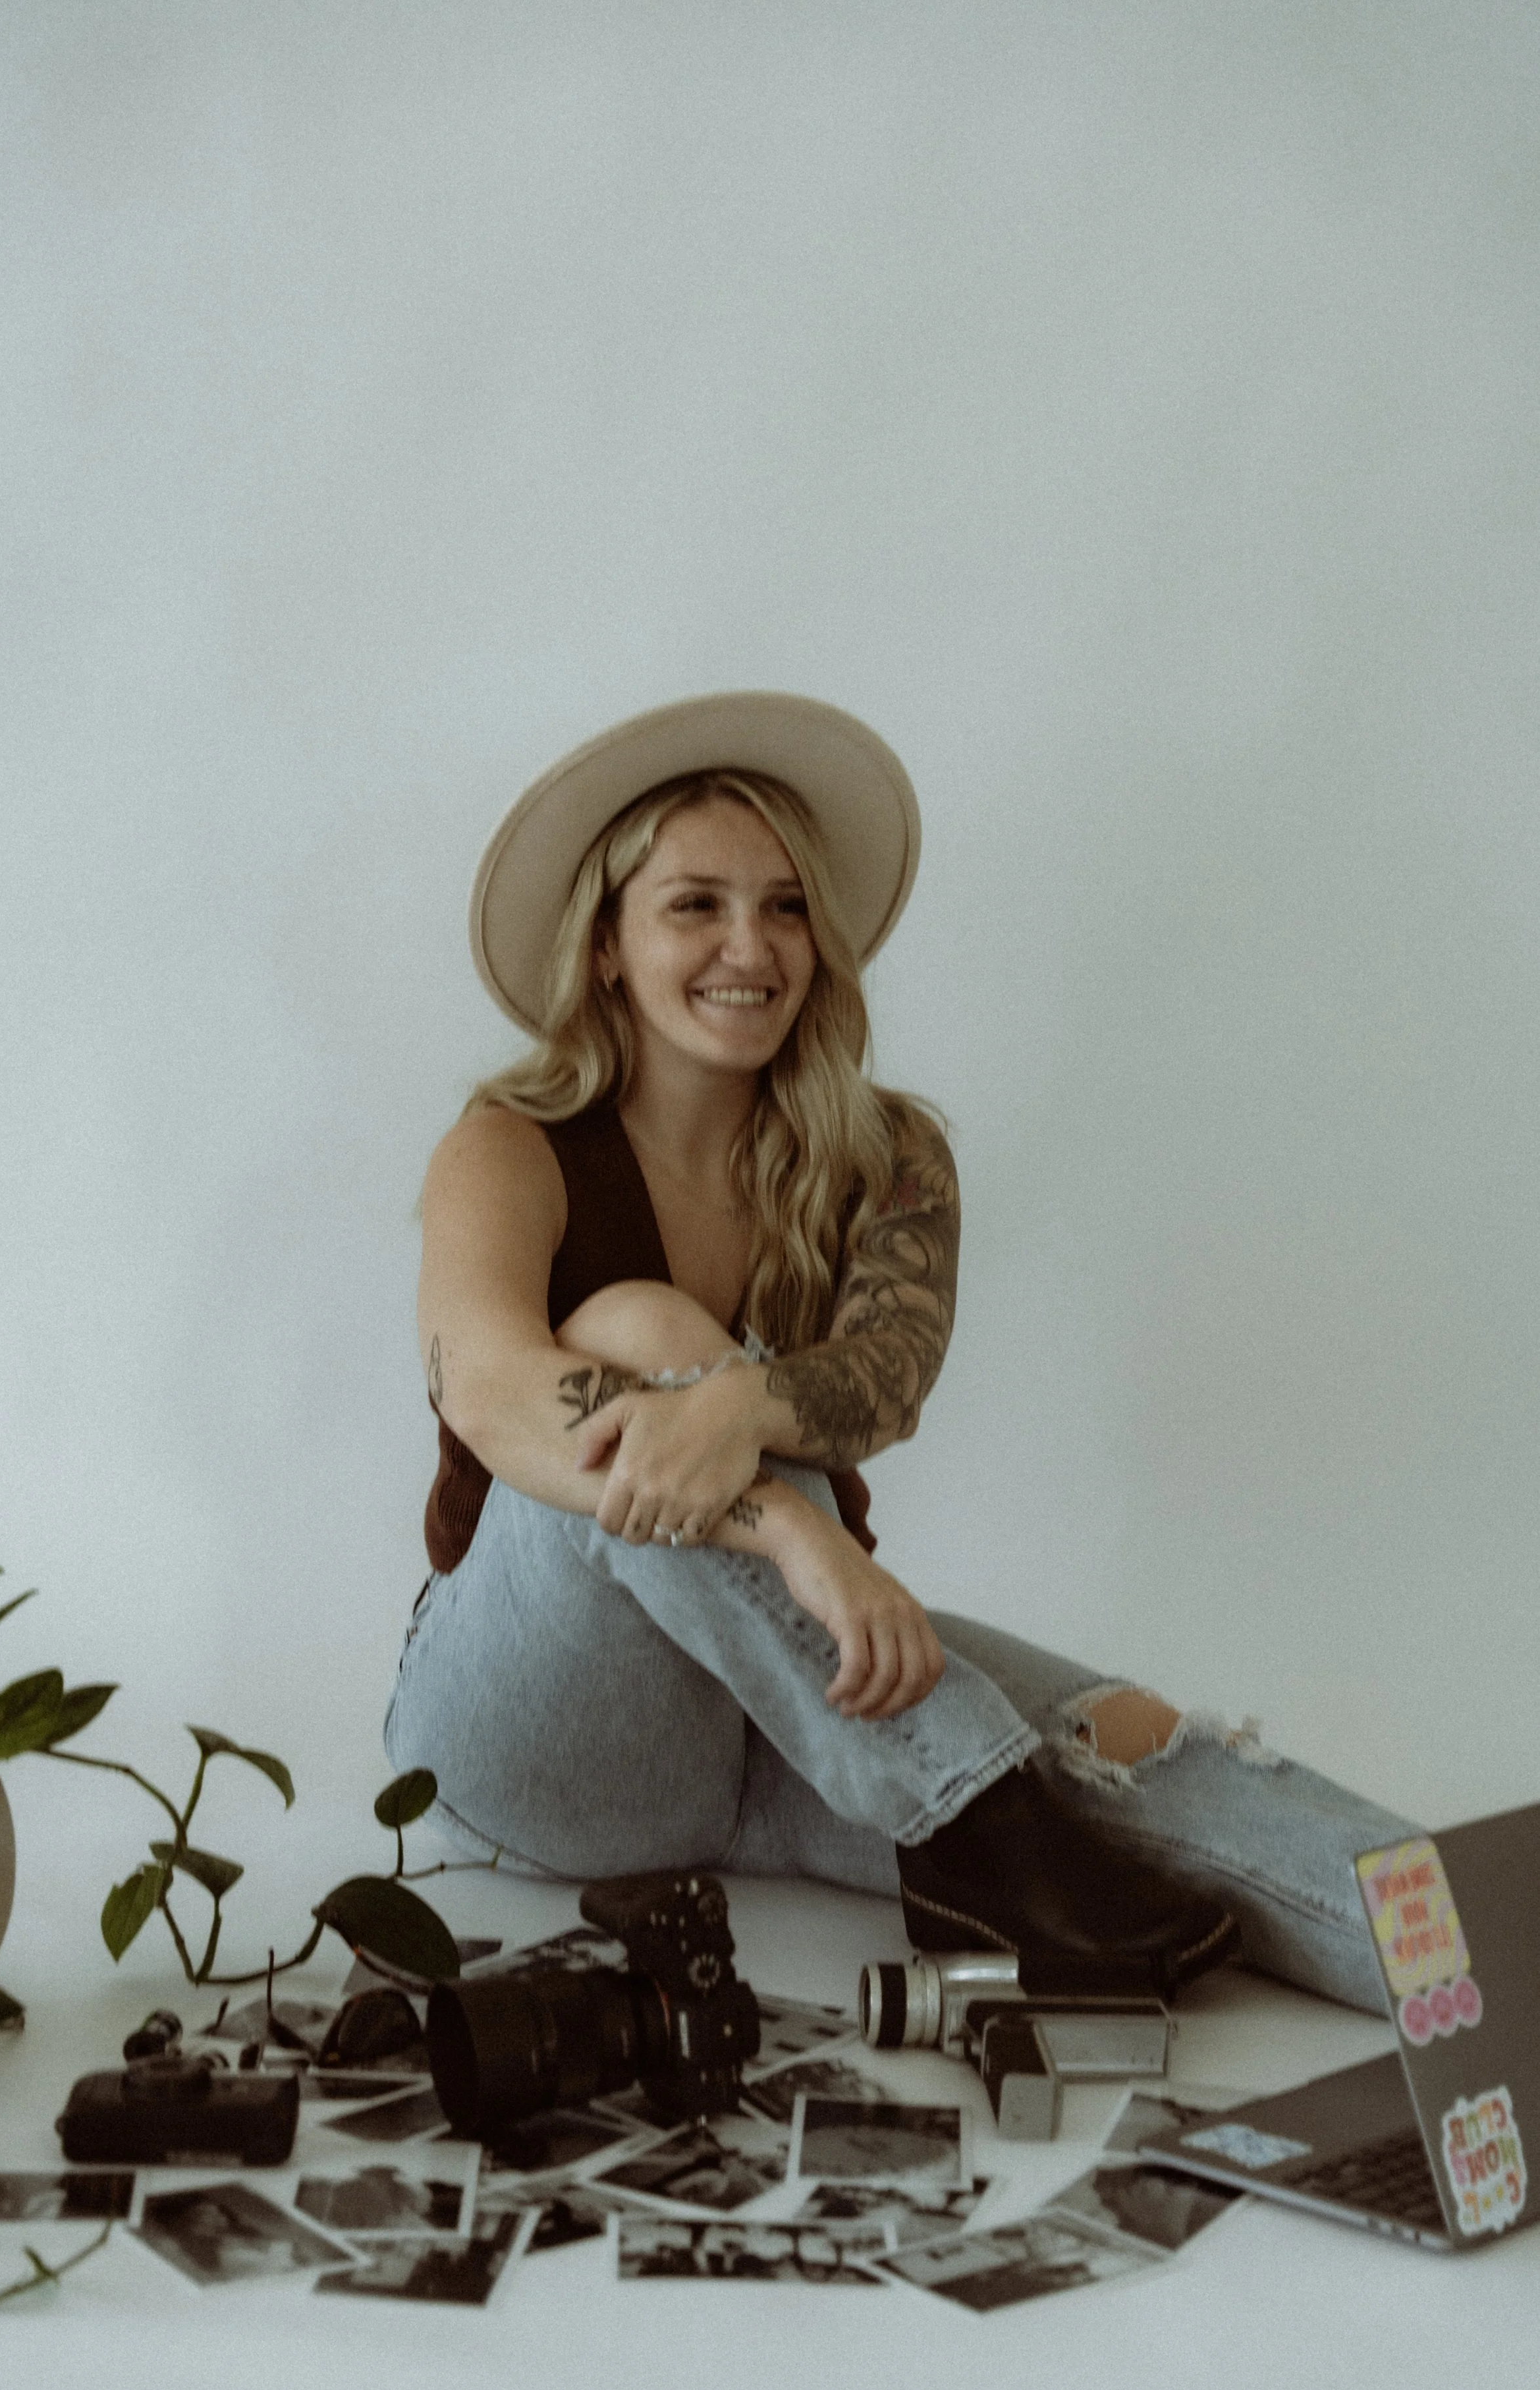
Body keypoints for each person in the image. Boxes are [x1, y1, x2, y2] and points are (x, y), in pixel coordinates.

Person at [387, 692, 1407, 2010]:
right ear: (604, 946)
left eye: (787, 906)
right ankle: (978, 1822)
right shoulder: (507, 1147)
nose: (749, 946)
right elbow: (488, 1388)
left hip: (782, 1721)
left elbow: (888, 1375)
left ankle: (1481, 1961)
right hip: (537, 1740)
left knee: (1142, 1758)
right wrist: (798, 1536)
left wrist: (738, 1404)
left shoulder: (887, 1155)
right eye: (694, 904)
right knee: (631, 1327)